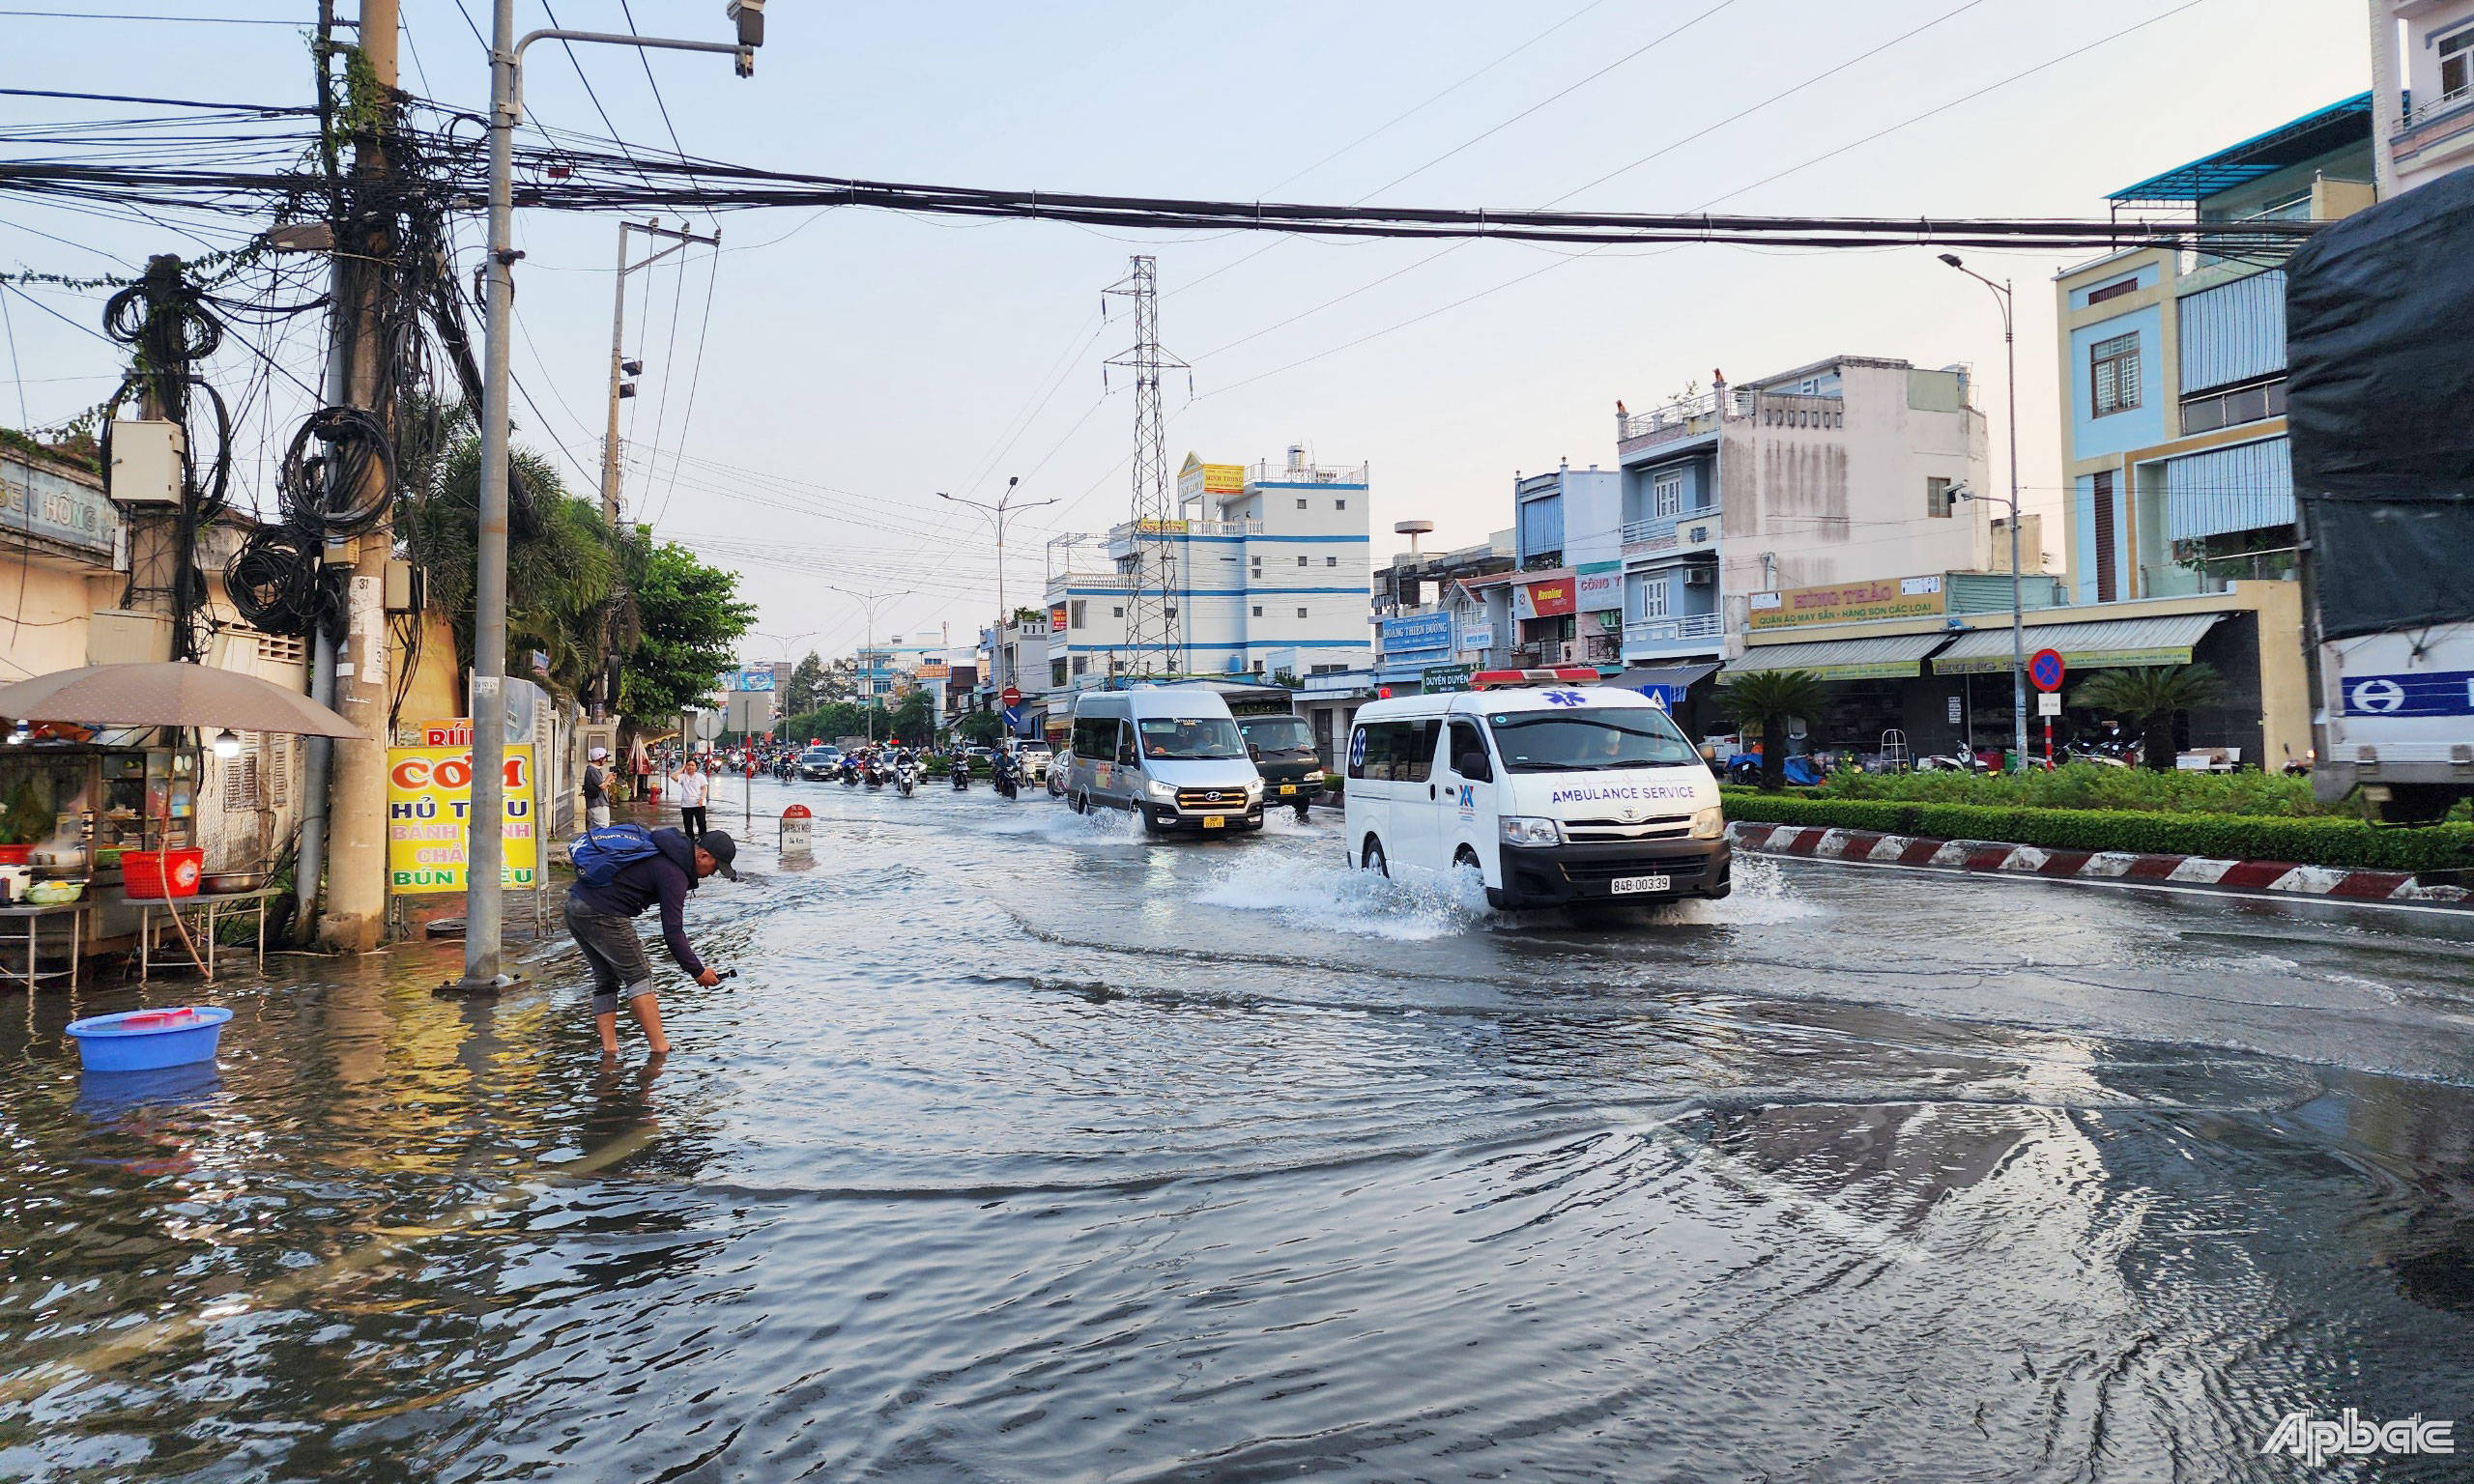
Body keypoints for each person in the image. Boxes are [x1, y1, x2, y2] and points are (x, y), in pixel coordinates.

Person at [565, 826, 738, 1058]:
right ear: (703, 855)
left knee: (606, 978)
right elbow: (673, 933)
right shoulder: (674, 873)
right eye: (715, 868)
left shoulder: (663, 849)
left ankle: (609, 1050)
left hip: (575, 907)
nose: (712, 874)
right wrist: (698, 971)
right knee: (639, 975)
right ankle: (660, 1050)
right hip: (603, 912)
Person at [671, 756, 710, 841]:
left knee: (701, 823)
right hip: (686, 805)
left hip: (698, 804)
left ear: (696, 767)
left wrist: (702, 798)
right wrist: (682, 768)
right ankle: (690, 842)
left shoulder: (700, 776)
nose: (690, 767)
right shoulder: (683, 776)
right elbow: (673, 776)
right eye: (688, 765)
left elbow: (704, 788)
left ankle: (703, 841)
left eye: (692, 765)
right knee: (688, 824)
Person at [582, 746, 612, 829]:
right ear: (600, 759)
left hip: (594, 805)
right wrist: (609, 778)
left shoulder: (592, 770)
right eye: (605, 758)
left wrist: (608, 782)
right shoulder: (593, 770)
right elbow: (602, 786)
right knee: (603, 828)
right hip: (598, 805)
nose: (606, 760)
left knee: (594, 830)